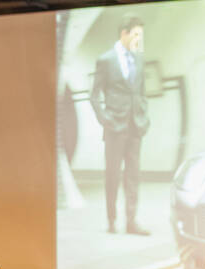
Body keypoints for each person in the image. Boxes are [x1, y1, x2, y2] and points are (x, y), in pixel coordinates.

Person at [90, 16, 150, 235]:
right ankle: (111, 220)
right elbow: (94, 95)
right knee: (113, 175)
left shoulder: (140, 59)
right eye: (136, 35)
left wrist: (144, 116)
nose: (138, 40)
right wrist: (105, 119)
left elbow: (141, 92)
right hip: (114, 126)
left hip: (136, 126)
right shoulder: (105, 60)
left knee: (133, 175)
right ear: (124, 34)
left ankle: (131, 221)